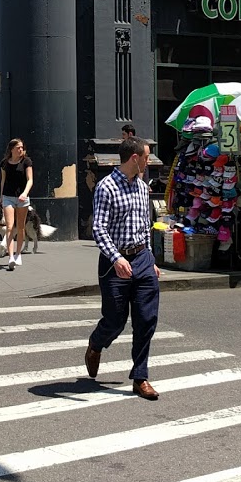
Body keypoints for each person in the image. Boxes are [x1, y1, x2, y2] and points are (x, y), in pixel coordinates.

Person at [84, 137, 160, 400]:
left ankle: (140, 377)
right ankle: (96, 344)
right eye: (147, 157)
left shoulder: (141, 187)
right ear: (135, 158)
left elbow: (144, 225)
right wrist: (116, 258)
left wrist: (151, 258)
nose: (149, 161)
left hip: (142, 260)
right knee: (115, 321)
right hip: (114, 262)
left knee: (146, 319)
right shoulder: (106, 187)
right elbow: (99, 228)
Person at [0, 136, 33, 270]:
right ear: (11, 149)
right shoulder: (4, 163)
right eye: (18, 147)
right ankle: (11, 257)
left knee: (20, 227)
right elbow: (3, 180)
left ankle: (19, 254)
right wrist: (1, 196)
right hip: (8, 196)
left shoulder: (26, 162)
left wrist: (25, 193)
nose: (21, 149)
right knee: (9, 226)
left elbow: (30, 180)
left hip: (22, 198)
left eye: (22, 147)